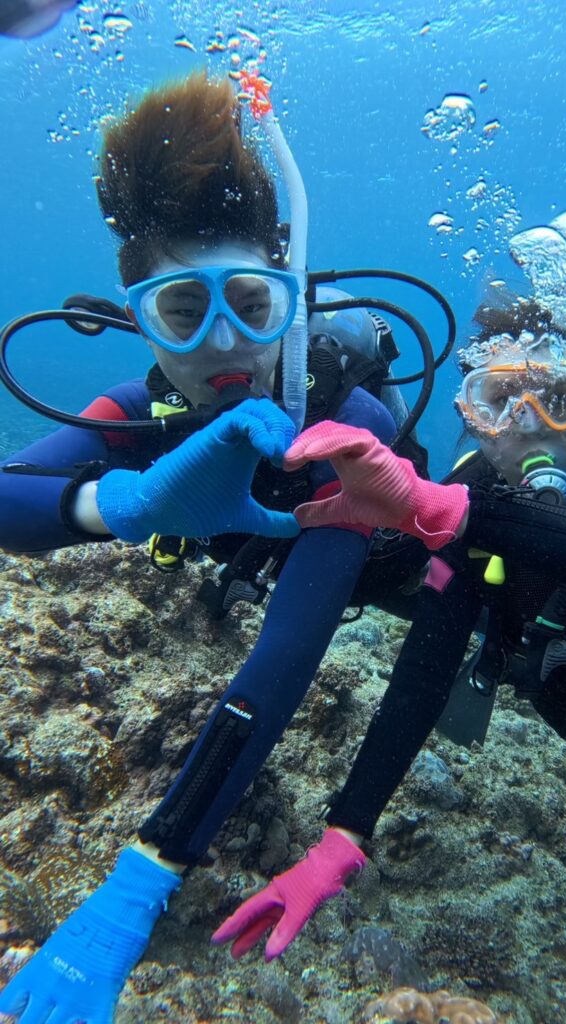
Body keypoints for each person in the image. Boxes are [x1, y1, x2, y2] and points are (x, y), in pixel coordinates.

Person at [0, 70, 421, 1022]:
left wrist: (144, 876)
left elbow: (284, 659)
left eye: (253, 305)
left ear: (291, 304)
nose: (226, 344)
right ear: (139, 314)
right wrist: (119, 505)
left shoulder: (347, 428)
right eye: (185, 312)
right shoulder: (142, 412)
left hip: (372, 568)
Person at [212, 284, 566, 964]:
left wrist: (444, 509)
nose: (528, 425)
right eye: (498, 400)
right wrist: (342, 838)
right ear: (471, 415)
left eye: (559, 398)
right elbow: (423, 675)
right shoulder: (469, 494)